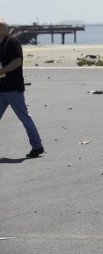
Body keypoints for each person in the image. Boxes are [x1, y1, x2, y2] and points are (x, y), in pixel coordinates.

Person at [0, 17, 45, 158]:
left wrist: (1, 71)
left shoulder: (12, 42)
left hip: (13, 88)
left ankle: (37, 146)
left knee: (25, 118)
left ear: (5, 29)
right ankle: (37, 146)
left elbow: (17, 62)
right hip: (1, 89)